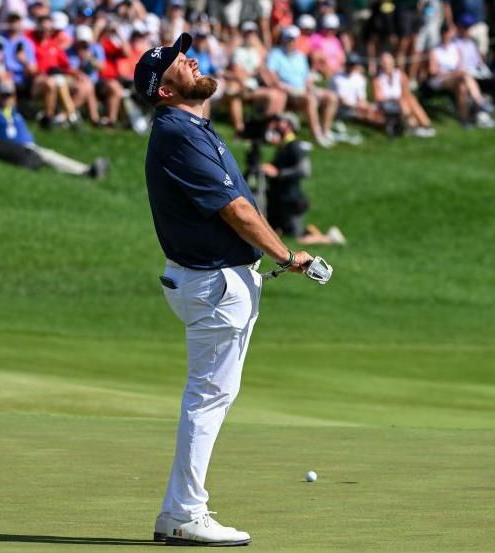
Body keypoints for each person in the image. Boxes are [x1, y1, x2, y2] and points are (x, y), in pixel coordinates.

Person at [134, 32, 315, 547]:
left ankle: (179, 512)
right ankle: (185, 513)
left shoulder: (192, 127)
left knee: (212, 396)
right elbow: (235, 209)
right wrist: (286, 256)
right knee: (208, 398)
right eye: (174, 62)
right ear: (164, 91)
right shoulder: (177, 132)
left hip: (218, 278)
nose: (187, 59)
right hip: (213, 281)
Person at [0, 80, 109, 177]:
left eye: (9, 95)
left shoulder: (13, 111)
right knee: (46, 155)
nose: (6, 98)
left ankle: (85, 171)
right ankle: (85, 171)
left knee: (46, 154)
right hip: (5, 146)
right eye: (3, 95)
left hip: (25, 146)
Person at [262, 113, 347, 245]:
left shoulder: (295, 146)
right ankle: (314, 232)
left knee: (297, 239)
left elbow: (304, 170)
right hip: (280, 199)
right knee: (279, 234)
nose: (277, 124)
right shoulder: (283, 145)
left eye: (282, 122)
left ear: (290, 126)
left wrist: (278, 173)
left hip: (291, 200)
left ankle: (329, 239)